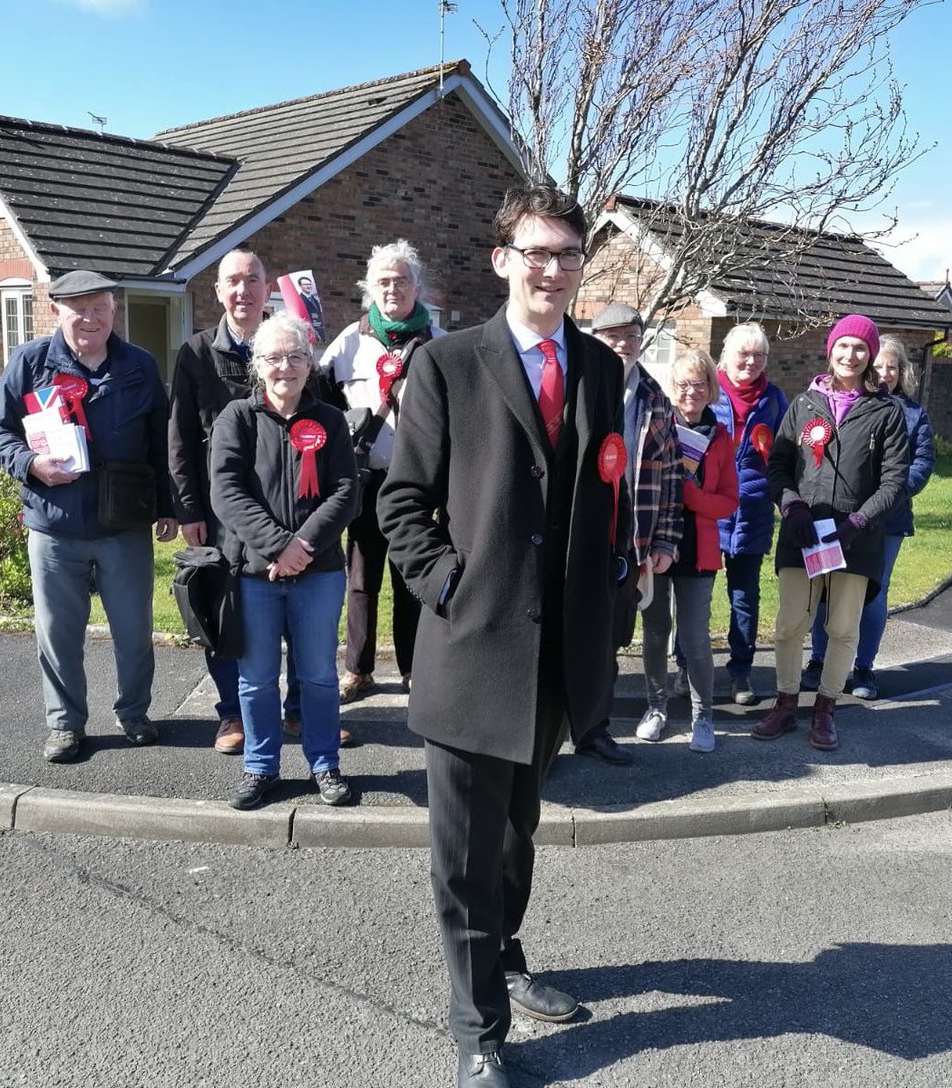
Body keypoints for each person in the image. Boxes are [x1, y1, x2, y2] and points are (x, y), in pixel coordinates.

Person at [378, 185, 631, 1088]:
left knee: (518, 832)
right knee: (465, 853)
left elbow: (608, 496)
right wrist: (451, 583)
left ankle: (508, 959)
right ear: (502, 261)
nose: (554, 270)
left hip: (559, 656)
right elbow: (401, 503)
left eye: (568, 255)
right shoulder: (447, 364)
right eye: (538, 253)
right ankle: (478, 1028)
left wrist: (617, 600)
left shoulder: (601, 370)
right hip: (473, 646)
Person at [0, 270, 177, 762]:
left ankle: (133, 712)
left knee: (133, 629)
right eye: (78, 308)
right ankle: (65, 724)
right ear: (56, 312)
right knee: (58, 632)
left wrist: (169, 506)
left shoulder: (139, 366)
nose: (90, 318)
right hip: (54, 525)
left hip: (124, 524)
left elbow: (161, 441)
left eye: (100, 307)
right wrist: (30, 464)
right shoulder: (30, 363)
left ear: (114, 311)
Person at [209, 313, 359, 810]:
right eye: (273, 357)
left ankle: (324, 764)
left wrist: (303, 548)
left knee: (317, 674)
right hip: (255, 574)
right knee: (255, 677)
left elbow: (345, 493)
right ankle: (261, 766)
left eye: (295, 357)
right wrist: (279, 546)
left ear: (309, 363)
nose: (285, 367)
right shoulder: (237, 418)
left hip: (318, 573)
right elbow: (226, 492)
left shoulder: (330, 420)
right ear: (258, 365)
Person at [168, 246, 306, 754]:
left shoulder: (290, 345)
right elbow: (180, 436)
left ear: (267, 288)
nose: (243, 290)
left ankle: (298, 712)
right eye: (233, 281)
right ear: (218, 291)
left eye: (252, 279)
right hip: (220, 513)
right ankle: (232, 714)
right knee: (223, 612)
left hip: (289, 506)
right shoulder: (198, 353)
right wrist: (187, 510)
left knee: (295, 611)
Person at [753, 314, 909, 752]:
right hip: (804, 533)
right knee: (789, 625)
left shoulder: (886, 412)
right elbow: (779, 465)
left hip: (855, 537)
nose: (851, 355)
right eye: (844, 345)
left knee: (842, 629)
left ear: (871, 356)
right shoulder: (803, 405)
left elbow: (894, 481)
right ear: (831, 349)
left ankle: (825, 710)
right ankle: (785, 704)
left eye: (861, 348)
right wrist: (791, 505)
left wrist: (859, 521)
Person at [320, 240, 443, 707]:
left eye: (402, 280)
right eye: (383, 282)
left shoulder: (442, 345)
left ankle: (414, 668)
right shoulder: (347, 343)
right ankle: (359, 669)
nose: (393, 289)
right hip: (365, 479)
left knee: (412, 577)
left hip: (420, 484)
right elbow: (320, 402)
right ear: (370, 289)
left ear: (417, 286)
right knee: (362, 578)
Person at [575, 303, 684, 766]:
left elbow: (674, 476)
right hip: (574, 540)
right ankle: (554, 726)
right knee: (565, 633)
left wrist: (664, 541)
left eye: (631, 336)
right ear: (594, 338)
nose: (622, 344)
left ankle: (594, 731)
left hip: (630, 543)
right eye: (612, 336)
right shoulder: (574, 385)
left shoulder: (656, 398)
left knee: (610, 641)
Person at [801, 335, 935, 699]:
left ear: (901, 372)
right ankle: (819, 659)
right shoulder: (847, 404)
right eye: (880, 365)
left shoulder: (912, 414)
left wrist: (885, 493)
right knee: (826, 588)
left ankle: (863, 668)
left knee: (873, 595)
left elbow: (921, 466)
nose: (886, 372)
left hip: (887, 520)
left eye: (893, 366)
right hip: (841, 515)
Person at [635, 350, 738, 753]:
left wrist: (690, 496)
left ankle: (703, 717)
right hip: (656, 546)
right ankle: (656, 709)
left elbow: (729, 501)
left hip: (699, 552)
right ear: (671, 389)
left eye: (699, 384)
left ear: (711, 388)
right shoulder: (658, 428)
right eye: (682, 384)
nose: (690, 392)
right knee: (656, 631)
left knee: (694, 638)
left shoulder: (722, 437)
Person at [712, 322, 788, 705]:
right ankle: (686, 667)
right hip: (707, 512)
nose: (751, 361)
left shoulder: (774, 400)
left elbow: (785, 456)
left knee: (744, 597)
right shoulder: (707, 390)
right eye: (744, 353)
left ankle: (741, 673)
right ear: (727, 354)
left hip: (754, 511)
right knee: (695, 594)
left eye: (759, 355)